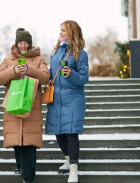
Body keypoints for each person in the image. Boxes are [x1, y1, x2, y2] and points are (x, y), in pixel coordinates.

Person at [0, 28, 50, 183]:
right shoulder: (8, 60)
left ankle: (28, 176)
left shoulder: (39, 59)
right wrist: (13, 71)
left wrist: (30, 70)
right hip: (13, 103)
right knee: (17, 141)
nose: (23, 46)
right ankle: (20, 167)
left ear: (30, 44)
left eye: (26, 43)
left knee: (29, 142)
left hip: (31, 106)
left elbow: (46, 77)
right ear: (16, 43)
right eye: (20, 42)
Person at [45, 20, 89, 183]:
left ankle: (73, 169)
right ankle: (68, 158)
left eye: (63, 30)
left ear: (72, 33)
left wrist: (71, 73)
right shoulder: (55, 52)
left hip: (73, 99)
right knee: (58, 131)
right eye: (60, 30)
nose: (60, 33)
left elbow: (84, 79)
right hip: (56, 98)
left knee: (71, 132)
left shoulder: (81, 54)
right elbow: (51, 73)